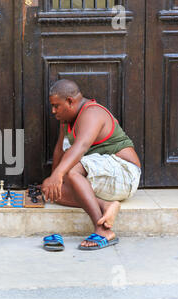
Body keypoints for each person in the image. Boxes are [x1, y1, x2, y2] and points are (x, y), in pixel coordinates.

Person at [41, 79, 141, 250]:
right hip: (102, 174)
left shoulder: (92, 113)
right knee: (50, 191)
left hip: (125, 173)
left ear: (70, 101)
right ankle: (106, 205)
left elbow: (81, 147)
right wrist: (54, 179)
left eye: (56, 106)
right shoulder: (67, 120)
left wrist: (59, 174)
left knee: (72, 170)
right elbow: (60, 149)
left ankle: (103, 230)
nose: (53, 111)